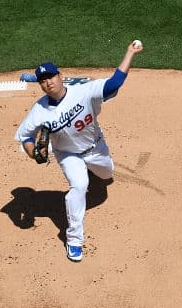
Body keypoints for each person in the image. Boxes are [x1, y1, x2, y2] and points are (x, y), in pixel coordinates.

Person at [15, 39, 144, 262]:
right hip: (68, 154)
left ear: (60, 76)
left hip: (96, 147)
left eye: (51, 77)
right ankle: (74, 239)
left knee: (106, 174)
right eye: (42, 80)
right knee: (79, 186)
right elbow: (25, 136)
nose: (48, 83)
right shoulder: (39, 110)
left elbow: (114, 83)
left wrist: (129, 53)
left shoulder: (82, 92)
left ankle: (96, 170)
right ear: (41, 85)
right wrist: (34, 153)